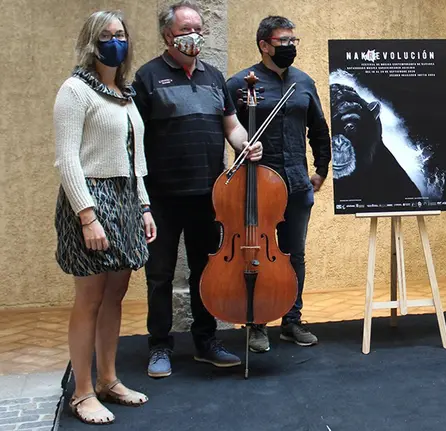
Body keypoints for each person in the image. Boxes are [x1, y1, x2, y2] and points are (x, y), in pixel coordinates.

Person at [132, 0, 263, 378]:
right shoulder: (148, 77)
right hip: (162, 197)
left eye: (198, 30)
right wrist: (140, 200)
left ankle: (206, 341)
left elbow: (231, 125)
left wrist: (246, 143)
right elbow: (136, 140)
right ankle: (159, 346)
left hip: (211, 195)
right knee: (159, 274)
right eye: (185, 30)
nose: (193, 37)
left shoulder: (213, 76)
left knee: (207, 271)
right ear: (167, 35)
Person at [53, 10, 156, 424]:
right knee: (90, 298)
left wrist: (144, 206)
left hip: (127, 198)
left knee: (115, 295)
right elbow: (67, 160)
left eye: (121, 34)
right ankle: (80, 392)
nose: (116, 41)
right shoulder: (75, 90)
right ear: (91, 42)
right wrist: (87, 216)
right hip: (92, 199)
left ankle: (108, 380)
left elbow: (137, 159)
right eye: (107, 35)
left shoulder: (125, 95)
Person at [225, 15, 331, 353]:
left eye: (292, 41)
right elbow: (227, 130)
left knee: (292, 253)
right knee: (254, 253)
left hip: (298, 183)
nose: (289, 47)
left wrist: (321, 169)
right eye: (282, 41)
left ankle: (291, 320)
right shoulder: (240, 84)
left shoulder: (304, 83)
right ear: (264, 45)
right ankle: (256, 323)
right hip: (254, 186)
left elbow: (319, 128)